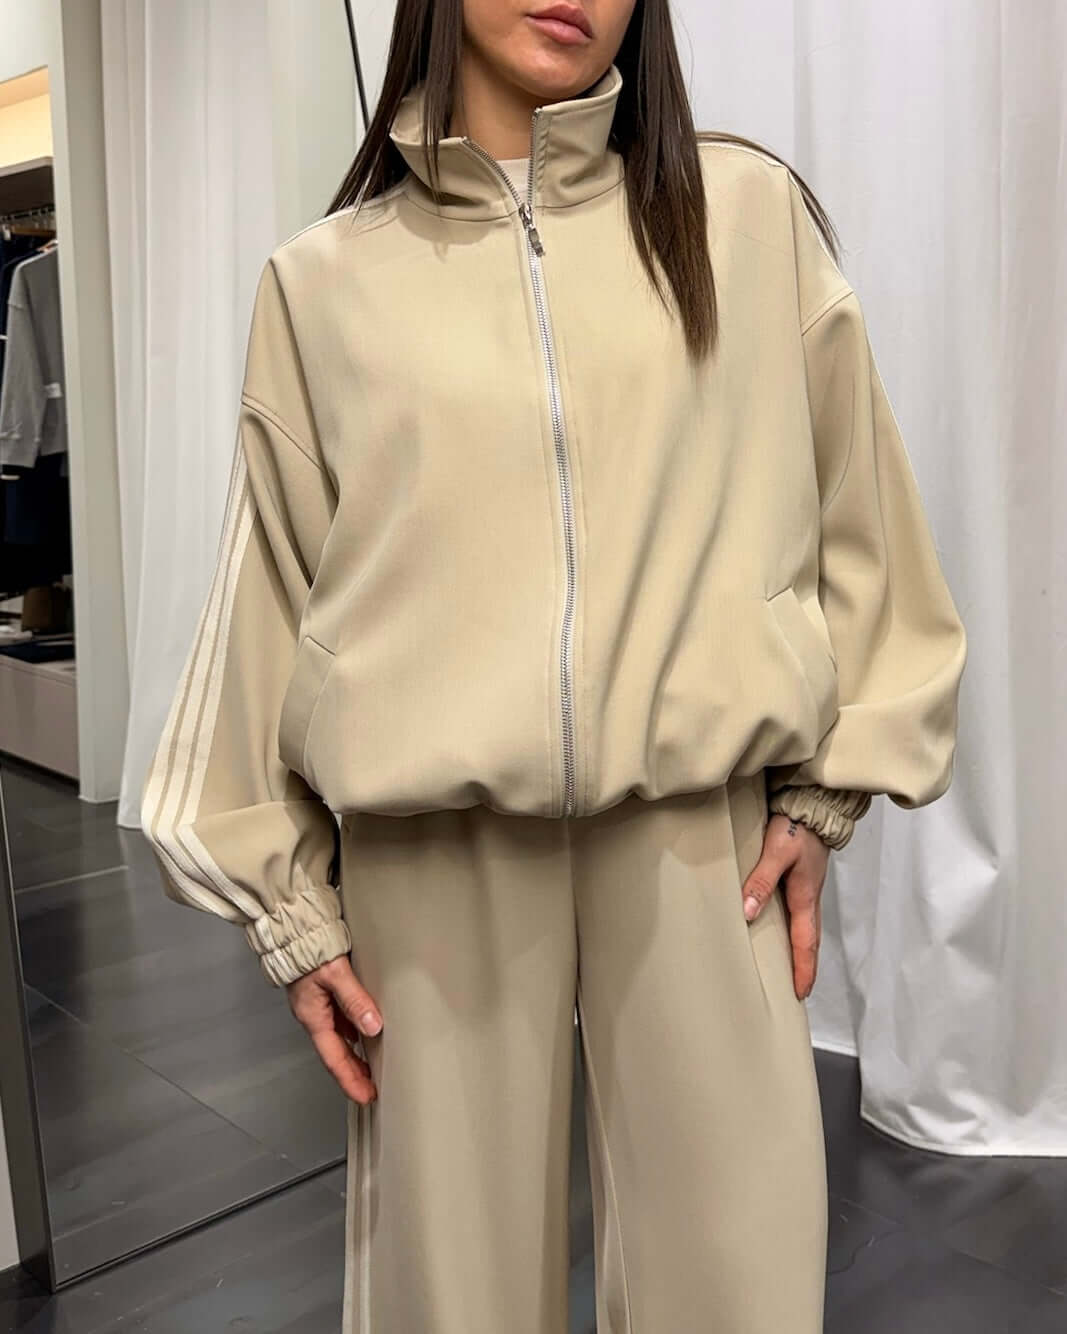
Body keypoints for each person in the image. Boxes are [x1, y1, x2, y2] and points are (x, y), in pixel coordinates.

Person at [140, 1, 967, 1329]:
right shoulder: (324, 284)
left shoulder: (748, 223)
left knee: (740, 1280)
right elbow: (267, 611)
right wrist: (288, 909)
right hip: (432, 860)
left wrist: (829, 789)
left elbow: (865, 522)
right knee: (450, 1298)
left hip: (702, 848)